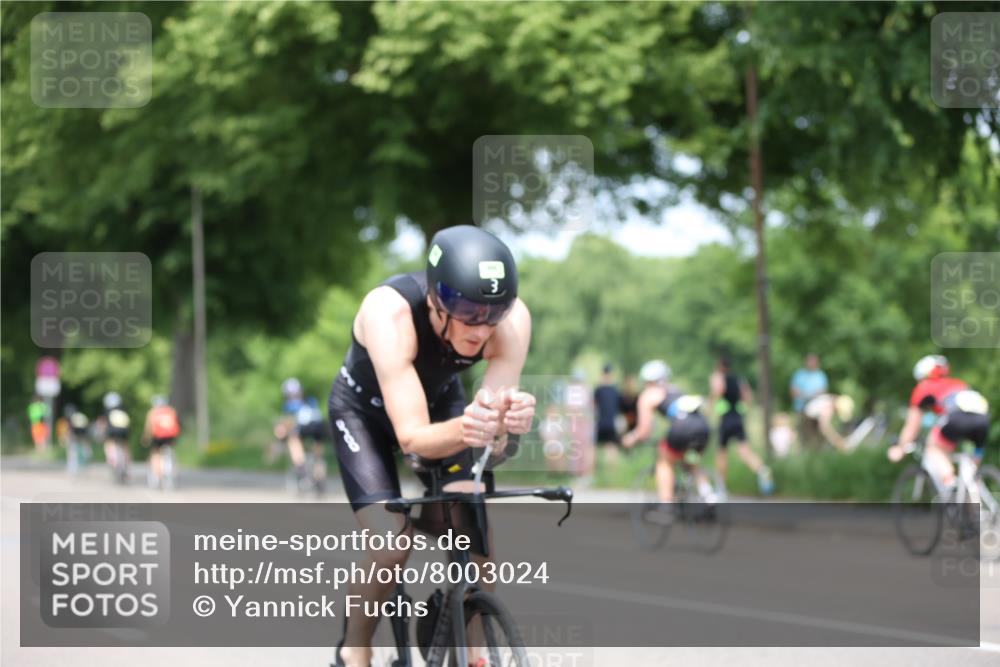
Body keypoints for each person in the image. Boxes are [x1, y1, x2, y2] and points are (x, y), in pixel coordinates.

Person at [328, 225, 535, 667]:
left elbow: (492, 445)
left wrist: (507, 426)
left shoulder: (511, 323)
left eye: (493, 313)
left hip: (442, 403)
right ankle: (355, 647)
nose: (481, 329)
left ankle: (475, 650)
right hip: (364, 414)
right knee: (390, 544)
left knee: (473, 517)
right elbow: (413, 438)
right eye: (466, 311)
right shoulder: (389, 313)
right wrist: (480, 426)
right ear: (435, 302)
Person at [888, 355, 990, 493]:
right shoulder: (959, 384)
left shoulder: (923, 388)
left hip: (956, 419)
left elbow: (912, 425)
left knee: (933, 448)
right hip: (983, 420)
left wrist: (901, 447)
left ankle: (950, 482)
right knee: (969, 470)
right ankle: (974, 495)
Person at [622, 360, 714, 511]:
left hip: (682, 428)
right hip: (702, 426)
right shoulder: (675, 390)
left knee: (664, 460)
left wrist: (630, 439)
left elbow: (644, 430)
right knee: (691, 460)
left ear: (647, 381)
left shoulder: (648, 395)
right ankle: (708, 493)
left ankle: (666, 506)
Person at [709, 356, 773, 495]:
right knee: (745, 452)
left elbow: (718, 391)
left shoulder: (719, 377)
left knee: (721, 453)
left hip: (725, 418)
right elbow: (747, 397)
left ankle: (721, 487)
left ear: (720, 366)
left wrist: (711, 404)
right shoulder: (739, 379)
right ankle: (762, 470)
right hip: (738, 417)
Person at [790, 353, 829, 449]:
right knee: (804, 433)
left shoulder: (821, 375)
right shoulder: (799, 375)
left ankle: (819, 451)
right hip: (802, 408)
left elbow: (822, 392)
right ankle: (805, 452)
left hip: (817, 409)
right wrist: (808, 396)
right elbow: (794, 392)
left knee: (819, 431)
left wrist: (808, 395)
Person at [142, 395, 181, 489]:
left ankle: (157, 477)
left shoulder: (153, 412)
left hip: (158, 437)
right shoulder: (171, 411)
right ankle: (171, 473)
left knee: (155, 454)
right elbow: (178, 424)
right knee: (169, 452)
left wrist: (146, 438)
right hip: (171, 437)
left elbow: (149, 427)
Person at [274, 377, 308, 479]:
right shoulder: (310, 400)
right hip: (315, 428)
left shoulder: (289, 405)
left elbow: (288, 422)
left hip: (301, 429)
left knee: (293, 439)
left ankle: (300, 465)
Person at [594, 363, 624, 470]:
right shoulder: (615, 390)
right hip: (611, 422)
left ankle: (595, 472)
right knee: (610, 447)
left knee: (595, 447)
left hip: (601, 422)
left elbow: (594, 405)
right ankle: (610, 472)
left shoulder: (598, 389)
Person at [100, 392, 131, 483]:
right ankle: (127, 466)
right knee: (125, 447)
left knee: (109, 443)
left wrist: (102, 433)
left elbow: (104, 424)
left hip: (112, 432)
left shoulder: (107, 410)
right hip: (124, 431)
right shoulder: (123, 409)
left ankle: (112, 460)